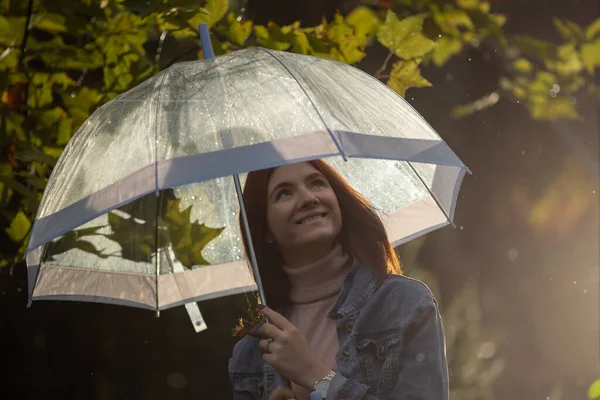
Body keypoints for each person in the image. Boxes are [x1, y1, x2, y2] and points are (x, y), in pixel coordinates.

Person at [228, 160, 448, 400]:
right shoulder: (251, 353)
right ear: (265, 230)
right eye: (285, 193)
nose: (309, 198)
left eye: (316, 183)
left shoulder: (405, 305)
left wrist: (317, 377)